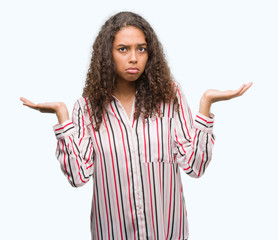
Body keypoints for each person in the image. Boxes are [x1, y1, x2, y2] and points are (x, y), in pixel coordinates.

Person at [21, 11, 252, 240]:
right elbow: (77, 176)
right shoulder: (87, 108)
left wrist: (206, 105)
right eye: (123, 49)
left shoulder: (169, 97)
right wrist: (62, 117)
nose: (134, 58)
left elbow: (195, 166)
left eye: (141, 49)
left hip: (166, 234)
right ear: (107, 55)